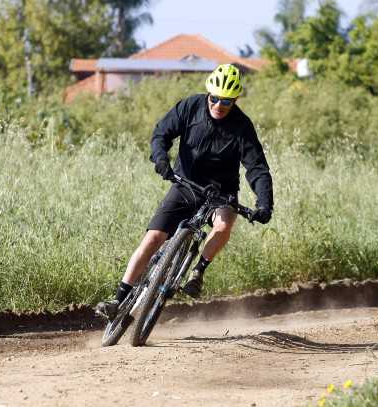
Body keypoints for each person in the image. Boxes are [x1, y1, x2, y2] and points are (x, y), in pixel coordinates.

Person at [96, 64, 274, 320]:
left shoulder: (242, 126)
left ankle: (198, 271)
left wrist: (264, 203)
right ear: (208, 93)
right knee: (153, 238)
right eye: (215, 98)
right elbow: (161, 134)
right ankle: (118, 298)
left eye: (227, 101)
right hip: (186, 183)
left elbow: (257, 168)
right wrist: (161, 159)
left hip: (222, 192)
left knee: (223, 225)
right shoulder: (190, 107)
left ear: (235, 100)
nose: (219, 105)